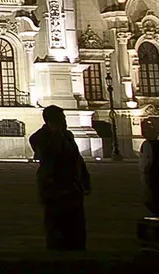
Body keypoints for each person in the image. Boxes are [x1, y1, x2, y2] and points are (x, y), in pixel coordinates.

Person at [29, 105, 91, 251]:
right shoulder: (39, 137)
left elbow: (77, 159)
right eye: (62, 118)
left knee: (77, 228)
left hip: (73, 188)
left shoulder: (68, 135)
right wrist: (55, 136)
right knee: (56, 228)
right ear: (51, 120)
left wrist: (85, 180)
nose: (65, 121)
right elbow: (46, 156)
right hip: (54, 189)